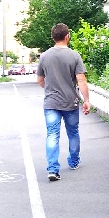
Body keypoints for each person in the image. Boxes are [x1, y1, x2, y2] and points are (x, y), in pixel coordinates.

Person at [36, 23, 91, 182]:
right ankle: (73, 161)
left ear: (53, 37)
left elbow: (40, 79)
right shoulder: (74, 56)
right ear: (67, 36)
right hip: (70, 102)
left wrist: (50, 89)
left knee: (52, 135)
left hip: (51, 103)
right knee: (73, 132)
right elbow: (81, 80)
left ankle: (53, 169)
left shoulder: (44, 56)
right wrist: (86, 100)